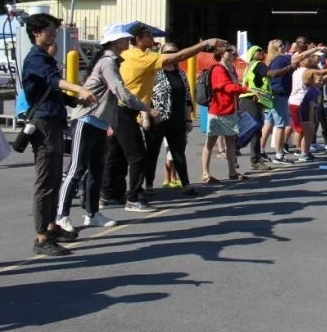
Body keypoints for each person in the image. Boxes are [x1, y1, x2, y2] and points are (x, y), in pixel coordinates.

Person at [103, 24, 224, 212]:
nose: (152, 38)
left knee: (117, 155)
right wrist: (204, 44)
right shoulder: (142, 57)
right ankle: (133, 198)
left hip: (125, 109)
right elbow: (179, 57)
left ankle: (110, 194)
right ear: (139, 39)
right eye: (148, 36)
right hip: (124, 109)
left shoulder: (126, 56)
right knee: (137, 156)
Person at [58, 23, 152, 235]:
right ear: (115, 42)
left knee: (96, 171)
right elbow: (120, 90)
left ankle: (92, 214)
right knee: (76, 169)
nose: (128, 42)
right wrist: (145, 107)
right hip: (86, 119)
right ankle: (61, 215)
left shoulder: (113, 61)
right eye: (125, 39)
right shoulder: (108, 62)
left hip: (99, 122)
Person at [21, 13, 96, 256]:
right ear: (37, 33)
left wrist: (74, 99)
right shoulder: (36, 58)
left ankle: (51, 226)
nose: (54, 34)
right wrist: (79, 88)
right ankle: (41, 237)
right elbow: (53, 82)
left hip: (52, 120)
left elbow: (52, 91)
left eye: (55, 30)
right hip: (43, 124)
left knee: (54, 178)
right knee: (45, 181)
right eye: (50, 30)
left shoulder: (45, 57)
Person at [150, 42, 197, 195]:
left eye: (175, 52)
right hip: (158, 119)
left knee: (179, 153)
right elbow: (146, 95)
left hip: (177, 119)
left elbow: (187, 98)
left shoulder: (181, 74)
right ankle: (148, 186)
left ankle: (186, 183)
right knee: (152, 152)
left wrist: (188, 118)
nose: (172, 55)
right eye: (168, 52)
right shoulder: (154, 72)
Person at [201, 47, 249, 182]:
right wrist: (244, 89)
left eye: (235, 52)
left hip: (229, 109)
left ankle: (232, 172)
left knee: (231, 142)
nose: (234, 54)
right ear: (221, 54)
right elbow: (227, 87)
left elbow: (231, 87)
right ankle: (205, 173)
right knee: (210, 142)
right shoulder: (218, 69)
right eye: (230, 51)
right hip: (219, 110)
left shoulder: (230, 69)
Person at [290, 56, 327, 161]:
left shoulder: (303, 78)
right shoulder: (310, 88)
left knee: (307, 132)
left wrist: (326, 77)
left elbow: (322, 76)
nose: (321, 83)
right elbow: (311, 105)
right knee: (309, 131)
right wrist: (312, 119)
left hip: (297, 103)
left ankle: (304, 152)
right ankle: (303, 153)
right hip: (302, 106)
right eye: (319, 80)